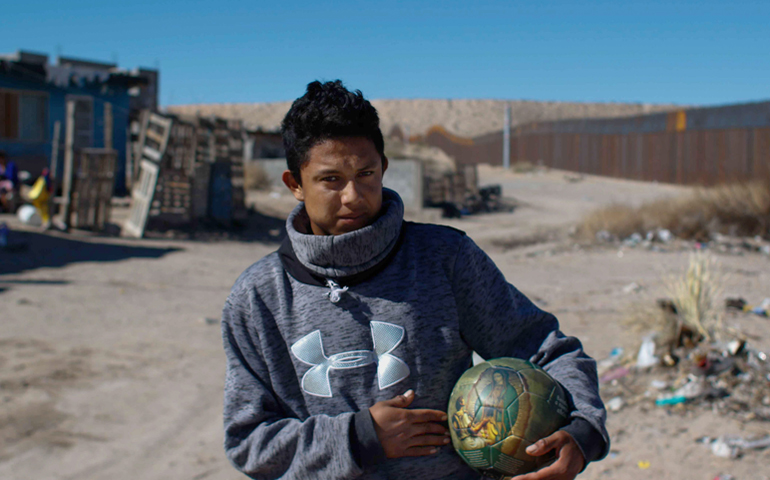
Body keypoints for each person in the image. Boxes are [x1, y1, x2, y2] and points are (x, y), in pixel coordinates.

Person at [221, 80, 609, 480]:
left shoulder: (444, 258)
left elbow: (545, 348)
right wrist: (360, 437)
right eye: (331, 180)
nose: (353, 195)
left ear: (384, 169)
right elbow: (249, 441)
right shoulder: (258, 297)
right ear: (295, 185)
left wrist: (582, 432)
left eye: (366, 173)